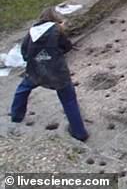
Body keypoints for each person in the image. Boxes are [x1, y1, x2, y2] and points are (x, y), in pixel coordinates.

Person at [10, 7, 89, 142]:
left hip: (35, 70)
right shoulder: (57, 31)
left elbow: (24, 53)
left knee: (22, 90)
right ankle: (79, 133)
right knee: (69, 100)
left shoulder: (31, 32)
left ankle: (16, 115)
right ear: (56, 20)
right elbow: (67, 47)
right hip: (57, 72)